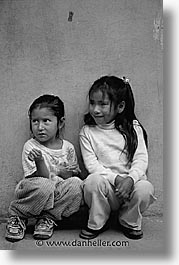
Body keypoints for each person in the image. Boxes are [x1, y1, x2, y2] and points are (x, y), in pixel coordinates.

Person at [79, 75, 156, 240]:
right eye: (92, 103)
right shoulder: (87, 131)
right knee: (92, 181)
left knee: (145, 188)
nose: (95, 109)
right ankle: (99, 221)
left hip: (130, 188)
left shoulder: (133, 128)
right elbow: (92, 165)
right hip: (107, 189)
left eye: (103, 104)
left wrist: (130, 180)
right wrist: (117, 179)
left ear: (120, 106)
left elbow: (141, 159)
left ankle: (129, 221)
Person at [5, 94, 83, 241]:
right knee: (45, 186)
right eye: (35, 121)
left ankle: (47, 218)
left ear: (60, 123)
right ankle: (18, 214)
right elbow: (40, 178)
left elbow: (70, 177)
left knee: (77, 185)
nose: (40, 127)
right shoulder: (31, 146)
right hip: (35, 187)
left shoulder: (68, 148)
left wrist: (71, 172)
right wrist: (40, 161)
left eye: (46, 121)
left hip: (56, 193)